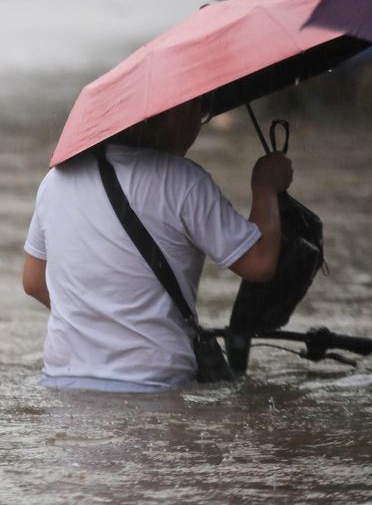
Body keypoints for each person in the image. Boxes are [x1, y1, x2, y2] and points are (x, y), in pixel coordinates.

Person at [22, 98, 294, 391]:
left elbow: (34, 281)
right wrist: (266, 188)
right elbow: (259, 263)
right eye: (195, 112)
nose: (196, 126)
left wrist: (100, 319)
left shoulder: (56, 179)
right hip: (154, 384)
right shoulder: (184, 181)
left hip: (63, 382)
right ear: (167, 116)